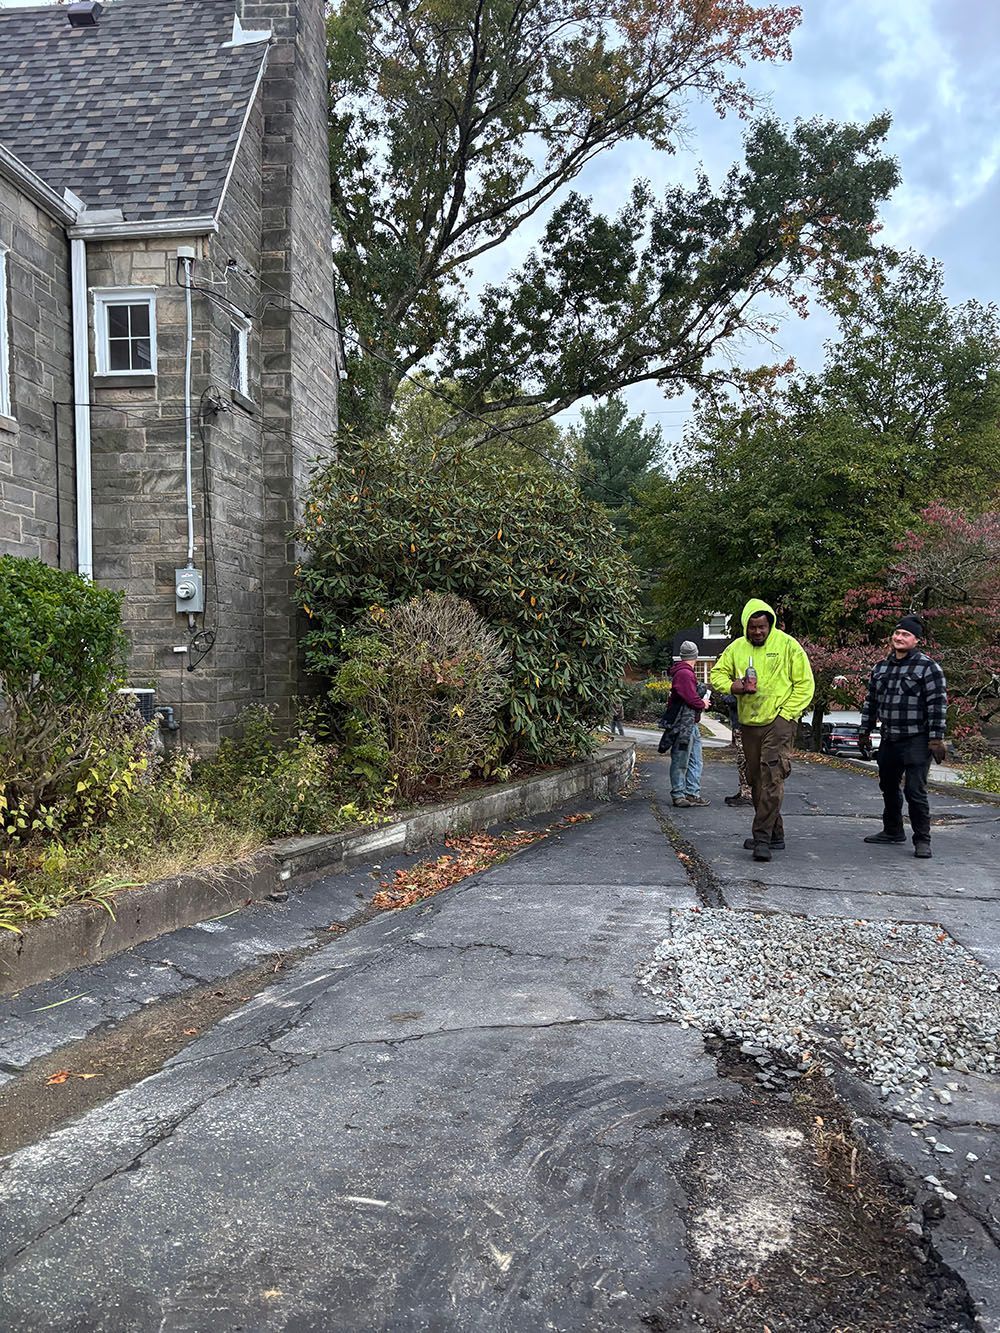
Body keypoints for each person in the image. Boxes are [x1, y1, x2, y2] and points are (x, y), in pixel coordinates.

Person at [710, 599, 814, 861]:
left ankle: (762, 839)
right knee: (756, 778)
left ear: (770, 625)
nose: (758, 632)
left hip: (779, 720)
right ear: (746, 625)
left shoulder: (788, 646)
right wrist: (735, 687)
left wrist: (787, 714)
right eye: (753, 627)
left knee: (772, 775)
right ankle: (775, 833)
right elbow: (717, 675)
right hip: (749, 721)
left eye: (762, 627)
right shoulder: (736, 648)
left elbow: (805, 684)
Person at [858, 615, 947, 860]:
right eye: (897, 633)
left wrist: (936, 739)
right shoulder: (881, 667)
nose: (899, 638)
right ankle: (893, 830)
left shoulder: (928, 668)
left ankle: (922, 839)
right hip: (889, 737)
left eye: (906, 635)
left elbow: (937, 705)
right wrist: (865, 731)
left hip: (917, 739)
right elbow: (871, 701)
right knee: (887, 785)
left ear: (916, 640)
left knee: (914, 791)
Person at [661, 640, 711, 808]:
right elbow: (690, 698)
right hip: (684, 725)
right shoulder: (685, 673)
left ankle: (691, 793)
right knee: (682, 759)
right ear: (695, 655)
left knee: (695, 759)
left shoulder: (683, 672)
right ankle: (680, 794)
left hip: (690, 724)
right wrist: (702, 703)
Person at [718, 692, 753, 807]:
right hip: (742, 724)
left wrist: (725, 695)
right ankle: (744, 790)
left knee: (743, 760)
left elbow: (732, 700)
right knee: (742, 759)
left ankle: (747, 794)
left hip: (743, 725)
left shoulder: (743, 687)